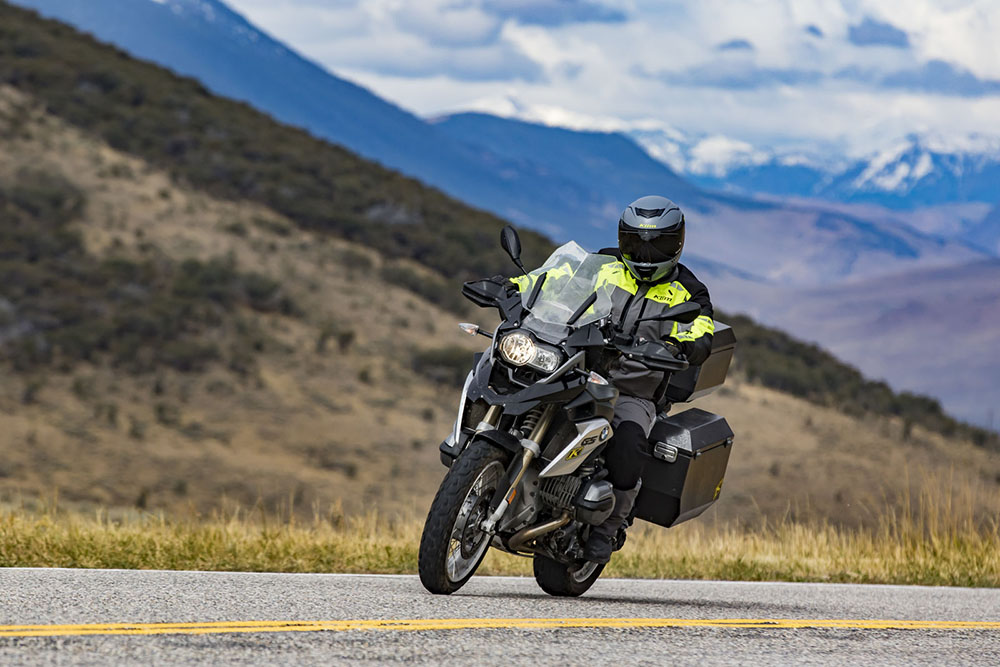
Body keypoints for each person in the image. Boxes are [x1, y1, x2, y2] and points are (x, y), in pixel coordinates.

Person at [582, 195, 716, 563]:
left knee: (627, 448)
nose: (643, 253)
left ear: (676, 244)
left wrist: (681, 346)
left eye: (656, 244)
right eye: (635, 242)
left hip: (634, 390)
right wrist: (515, 286)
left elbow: (700, 328)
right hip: (578, 367)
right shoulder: (604, 263)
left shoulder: (690, 291)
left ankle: (608, 528)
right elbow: (555, 280)